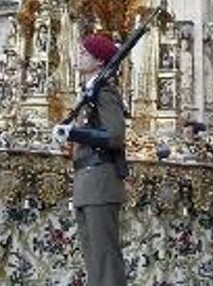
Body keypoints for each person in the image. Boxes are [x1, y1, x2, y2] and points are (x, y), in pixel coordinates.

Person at [53, 35, 127, 285]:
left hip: (100, 181)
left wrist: (74, 133)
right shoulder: (90, 93)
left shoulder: (104, 92)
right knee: (94, 259)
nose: (79, 56)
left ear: (98, 61)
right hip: (87, 181)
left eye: (85, 53)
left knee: (104, 258)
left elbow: (115, 136)